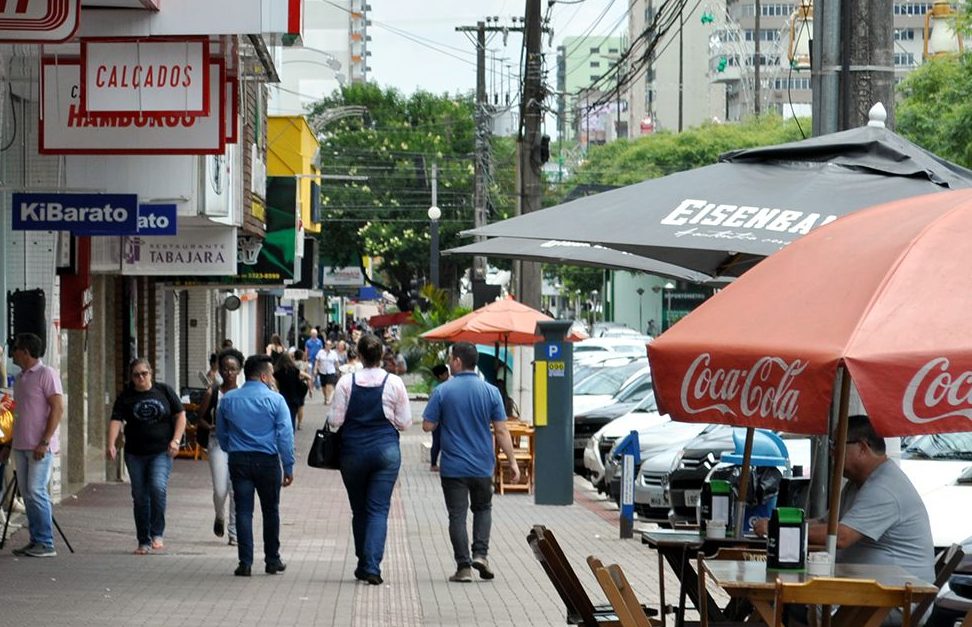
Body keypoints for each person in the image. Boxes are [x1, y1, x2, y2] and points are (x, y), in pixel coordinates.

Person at [754, 414, 935, 585]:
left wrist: (777, 530)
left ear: (862, 448)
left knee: (792, 597)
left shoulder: (885, 488)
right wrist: (783, 524)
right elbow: (825, 523)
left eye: (836, 445)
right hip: (867, 586)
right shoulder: (858, 483)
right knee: (789, 592)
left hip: (898, 595)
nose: (832, 453)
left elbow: (841, 536)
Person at [422, 342, 519, 582]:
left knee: (457, 515)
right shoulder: (491, 392)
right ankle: (481, 555)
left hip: (453, 467)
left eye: (450, 359)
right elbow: (502, 432)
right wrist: (513, 462)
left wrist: (443, 418)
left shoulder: (443, 391)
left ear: (457, 361)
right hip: (482, 466)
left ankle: (463, 567)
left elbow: (427, 425)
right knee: (483, 509)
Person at [328, 334, 411, 585]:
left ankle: (363, 562)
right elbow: (405, 423)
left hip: (352, 452)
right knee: (378, 509)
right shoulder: (394, 382)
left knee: (359, 509)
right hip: (386, 451)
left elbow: (334, 422)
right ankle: (372, 566)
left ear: (360, 356)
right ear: (381, 355)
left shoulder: (346, 382)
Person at [217, 354, 294, 577]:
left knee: (243, 511)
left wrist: (230, 447)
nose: (272, 378)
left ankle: (245, 562)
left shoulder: (229, 399)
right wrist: (288, 466)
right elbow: (285, 436)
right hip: (268, 461)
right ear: (263, 375)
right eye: (270, 374)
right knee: (270, 511)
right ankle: (272, 559)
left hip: (239, 460)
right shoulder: (276, 400)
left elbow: (222, 433)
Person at [107, 358, 186, 555]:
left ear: (151, 373)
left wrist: (176, 440)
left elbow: (180, 415)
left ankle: (157, 533)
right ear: (131, 377)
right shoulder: (126, 396)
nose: (141, 378)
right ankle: (144, 540)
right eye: (136, 375)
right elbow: (116, 420)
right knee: (140, 496)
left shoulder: (164, 391)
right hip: (135, 453)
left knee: (157, 487)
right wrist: (111, 444)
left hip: (161, 452)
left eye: (144, 373)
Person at [9, 333, 63, 558]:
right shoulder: (21, 378)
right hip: (21, 445)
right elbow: (19, 414)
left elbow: (57, 408)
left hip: (39, 446)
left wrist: (45, 441)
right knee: (28, 494)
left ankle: (45, 541)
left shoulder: (46, 374)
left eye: (16, 349)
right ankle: (35, 539)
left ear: (26, 352)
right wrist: (8, 444)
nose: (13, 353)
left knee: (36, 491)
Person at [195, 347, 245, 546]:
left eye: (233, 369)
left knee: (237, 490)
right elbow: (199, 419)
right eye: (225, 369)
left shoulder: (244, 393)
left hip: (239, 445)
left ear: (239, 370)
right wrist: (212, 426)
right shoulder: (213, 392)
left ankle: (234, 533)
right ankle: (219, 514)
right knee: (220, 489)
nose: (229, 373)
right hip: (217, 442)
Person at [273, 351, 305, 432]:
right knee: (292, 418)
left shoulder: (277, 373)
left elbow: (276, 385)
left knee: (282, 418)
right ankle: (291, 435)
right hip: (294, 397)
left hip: (283, 397)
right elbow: (304, 378)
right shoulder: (295, 371)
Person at [428, 364, 450, 472]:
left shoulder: (438, 386)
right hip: (438, 420)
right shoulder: (437, 388)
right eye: (446, 374)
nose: (448, 375)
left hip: (441, 419)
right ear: (440, 376)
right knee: (437, 442)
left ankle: (436, 463)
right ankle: (433, 464)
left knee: (438, 441)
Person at [292, 349, 314, 430]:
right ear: (302, 356)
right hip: (301, 384)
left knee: (293, 404)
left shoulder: (291, 364)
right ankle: (300, 423)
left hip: (292, 384)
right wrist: (310, 389)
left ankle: (292, 420)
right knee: (301, 405)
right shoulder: (305, 365)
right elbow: (307, 377)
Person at [314, 340, 339, 404]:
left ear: (331, 346)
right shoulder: (320, 352)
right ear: (325, 345)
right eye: (327, 344)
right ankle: (326, 397)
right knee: (323, 386)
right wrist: (315, 369)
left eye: (329, 345)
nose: (328, 346)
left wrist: (338, 369)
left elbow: (336, 362)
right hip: (322, 371)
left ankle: (328, 399)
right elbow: (317, 361)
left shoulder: (334, 353)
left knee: (329, 385)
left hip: (331, 371)